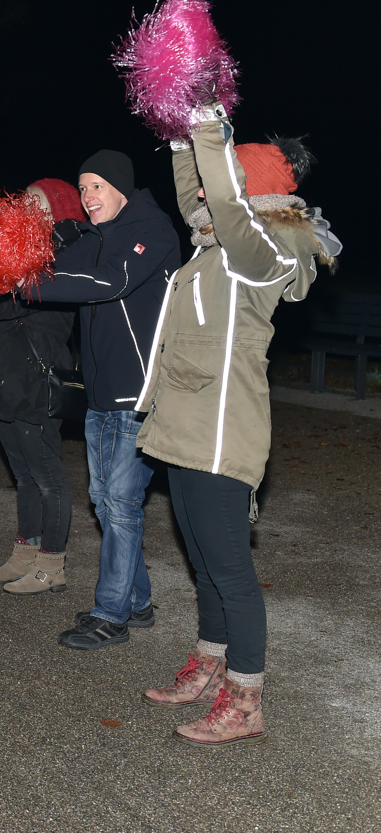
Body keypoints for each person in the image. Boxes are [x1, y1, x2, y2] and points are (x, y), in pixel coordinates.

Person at [135, 106, 338, 745]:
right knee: (201, 557)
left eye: (217, 180)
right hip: (184, 425)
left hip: (224, 429)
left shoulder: (261, 251)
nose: (202, 191)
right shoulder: (217, 247)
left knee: (230, 570)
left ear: (251, 193)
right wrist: (177, 135)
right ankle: (211, 661)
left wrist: (205, 126)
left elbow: (219, 195)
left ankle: (246, 701)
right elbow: (199, 194)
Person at [17, 151, 181, 649]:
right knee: (106, 504)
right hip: (101, 393)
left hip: (142, 393)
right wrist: (0, 266)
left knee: (122, 505)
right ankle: (138, 601)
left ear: (121, 188)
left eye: (96, 187)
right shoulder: (97, 236)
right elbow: (50, 268)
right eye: (83, 188)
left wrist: (33, 283)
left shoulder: (150, 229)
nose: (87, 198)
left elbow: (113, 281)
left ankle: (111, 615)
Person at [0, 179, 84, 595]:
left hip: (35, 383)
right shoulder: (16, 252)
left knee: (48, 478)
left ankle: (52, 565)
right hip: (4, 380)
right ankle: (26, 553)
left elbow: (20, 305)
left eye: (37, 204)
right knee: (24, 477)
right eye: (23, 202)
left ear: (59, 210)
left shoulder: (65, 254)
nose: (25, 209)